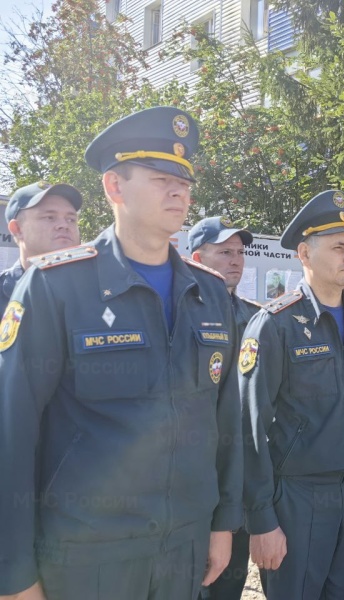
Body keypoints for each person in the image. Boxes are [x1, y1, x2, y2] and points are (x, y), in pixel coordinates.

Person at [0, 106, 243, 600]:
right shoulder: (55, 286)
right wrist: (14, 570)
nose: (179, 192)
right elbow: (12, 431)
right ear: (114, 187)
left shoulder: (210, 294)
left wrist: (222, 523)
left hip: (183, 546)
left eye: (185, 181)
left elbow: (226, 422)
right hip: (89, 554)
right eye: (160, 178)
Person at [239, 190, 344, 598]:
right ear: (304, 253)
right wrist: (261, 519)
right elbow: (249, 429)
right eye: (338, 247)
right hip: (297, 497)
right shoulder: (275, 325)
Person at [189, 216, 260, 600]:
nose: (236, 260)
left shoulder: (257, 318)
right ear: (198, 257)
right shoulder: (183, 314)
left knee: (231, 580)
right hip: (196, 476)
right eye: (224, 252)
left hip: (244, 476)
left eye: (239, 252)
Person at [1, 181, 82, 312]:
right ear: (17, 229)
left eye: (71, 219)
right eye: (50, 217)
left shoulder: (101, 288)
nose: (64, 225)